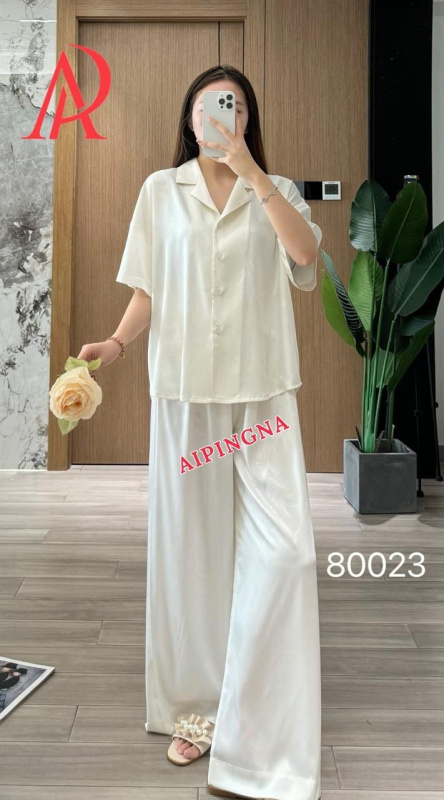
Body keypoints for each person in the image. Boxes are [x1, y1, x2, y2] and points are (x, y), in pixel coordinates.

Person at [78, 64, 322, 800]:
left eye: (234, 105)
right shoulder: (161, 190)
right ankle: (198, 711)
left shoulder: (275, 190)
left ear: (247, 119)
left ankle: (261, 720)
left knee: (287, 557)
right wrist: (115, 345)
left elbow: (305, 257)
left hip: (263, 399)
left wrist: (250, 170)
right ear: (189, 118)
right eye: (210, 105)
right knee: (192, 559)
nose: (221, 114)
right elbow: (148, 289)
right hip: (186, 396)